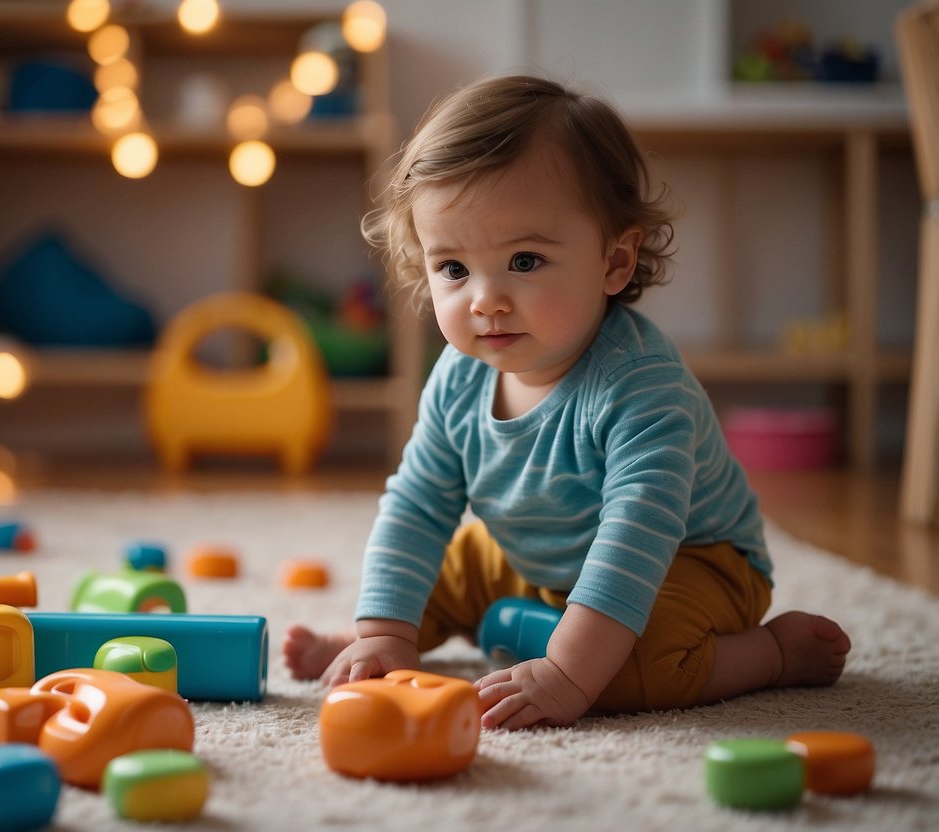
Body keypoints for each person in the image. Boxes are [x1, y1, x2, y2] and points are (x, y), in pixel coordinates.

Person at [283, 74, 851, 730]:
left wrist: (567, 673)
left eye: (523, 262)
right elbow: (415, 506)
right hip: (541, 558)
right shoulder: (457, 376)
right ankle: (371, 646)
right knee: (448, 564)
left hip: (687, 563)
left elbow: (633, 537)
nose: (484, 299)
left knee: (625, 670)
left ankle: (768, 654)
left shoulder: (640, 390)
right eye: (453, 268)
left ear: (614, 261)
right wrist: (383, 629)